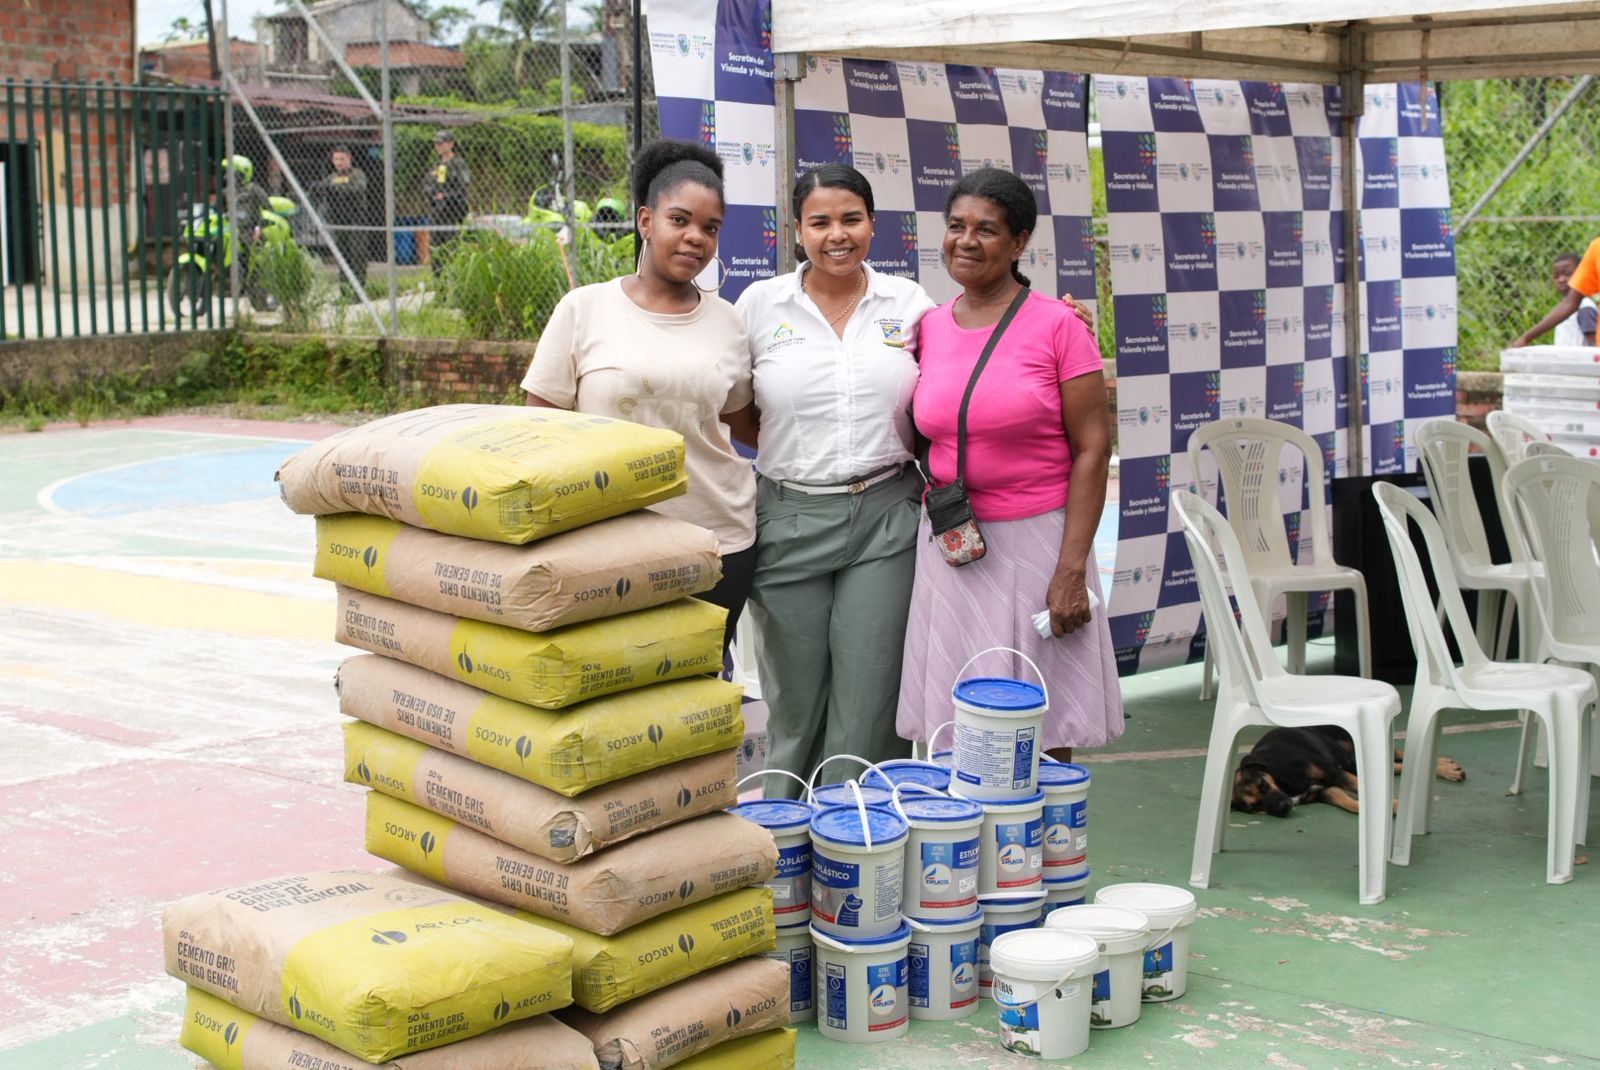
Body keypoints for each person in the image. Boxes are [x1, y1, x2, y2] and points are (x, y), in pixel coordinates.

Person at [896, 168, 1123, 763]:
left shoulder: (1059, 327)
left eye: (987, 230)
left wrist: (1071, 569)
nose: (966, 241)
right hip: (954, 547)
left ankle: (1040, 853)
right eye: (956, 226)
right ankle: (967, 853)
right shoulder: (930, 328)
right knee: (954, 721)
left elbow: (1093, 450)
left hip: (1039, 549)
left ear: (1019, 243)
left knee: (1041, 728)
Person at [733, 164, 936, 790]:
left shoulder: (910, 304)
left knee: (869, 701)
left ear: (873, 224)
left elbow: (965, 370)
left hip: (886, 515)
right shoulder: (759, 307)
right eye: (820, 222)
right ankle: (788, 853)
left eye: (851, 219)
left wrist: (1062, 325)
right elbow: (741, 410)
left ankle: (859, 848)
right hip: (790, 517)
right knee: (794, 702)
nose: (837, 235)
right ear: (797, 230)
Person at [521, 139, 757, 655]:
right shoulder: (584, 309)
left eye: (710, 228)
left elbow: (743, 425)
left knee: (699, 692)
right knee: (619, 695)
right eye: (680, 220)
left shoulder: (728, 321)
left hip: (717, 539)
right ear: (646, 221)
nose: (695, 237)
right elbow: (540, 431)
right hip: (610, 544)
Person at [1513, 240, 1600, 347]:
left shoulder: (1586, 308)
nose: (1561, 279)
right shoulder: (1596, 248)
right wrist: (1525, 338)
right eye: (1556, 276)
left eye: (1567, 274)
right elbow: (1570, 303)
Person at [312, 144, 369, 289]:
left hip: (356, 221)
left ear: (349, 158)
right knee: (343, 257)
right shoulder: (332, 177)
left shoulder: (357, 174)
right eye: (336, 159)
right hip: (338, 220)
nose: (339, 162)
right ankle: (344, 290)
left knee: (357, 256)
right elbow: (321, 190)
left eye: (342, 159)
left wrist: (338, 188)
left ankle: (358, 289)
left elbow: (359, 188)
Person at [424, 129, 470, 275]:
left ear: (451, 144)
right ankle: (440, 289)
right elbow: (427, 186)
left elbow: (463, 186)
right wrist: (433, 195)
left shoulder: (458, 164)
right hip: (437, 215)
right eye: (436, 143)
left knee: (452, 251)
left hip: (452, 214)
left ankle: (454, 287)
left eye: (441, 143)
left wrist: (445, 196)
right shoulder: (435, 166)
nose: (438, 146)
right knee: (436, 252)